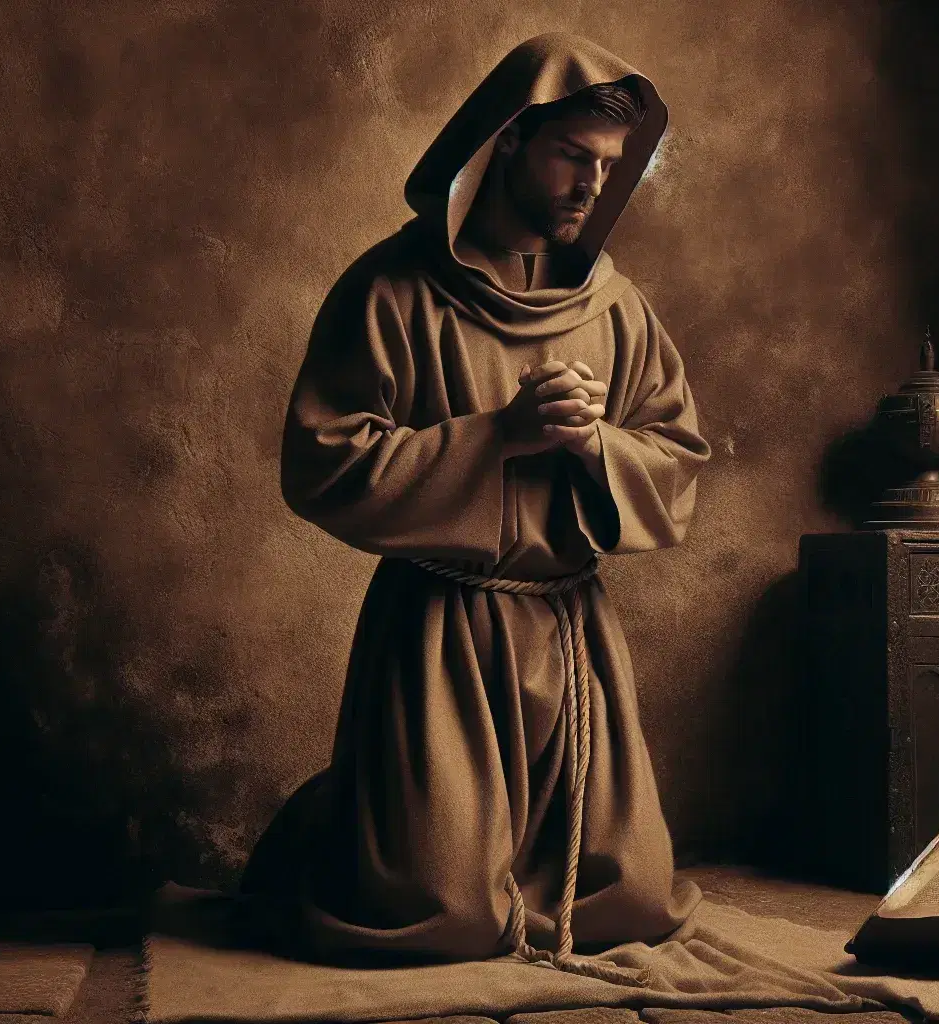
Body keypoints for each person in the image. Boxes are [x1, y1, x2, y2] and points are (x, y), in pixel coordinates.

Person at [241, 33, 707, 976]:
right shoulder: (392, 291)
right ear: (506, 144)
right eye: (573, 156)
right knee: (437, 914)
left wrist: (593, 445)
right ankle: (328, 829)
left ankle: (418, 825)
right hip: (440, 636)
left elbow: (678, 459)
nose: (592, 184)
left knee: (633, 900)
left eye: (608, 165)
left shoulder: (618, 310)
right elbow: (323, 458)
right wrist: (497, 437)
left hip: (572, 633)